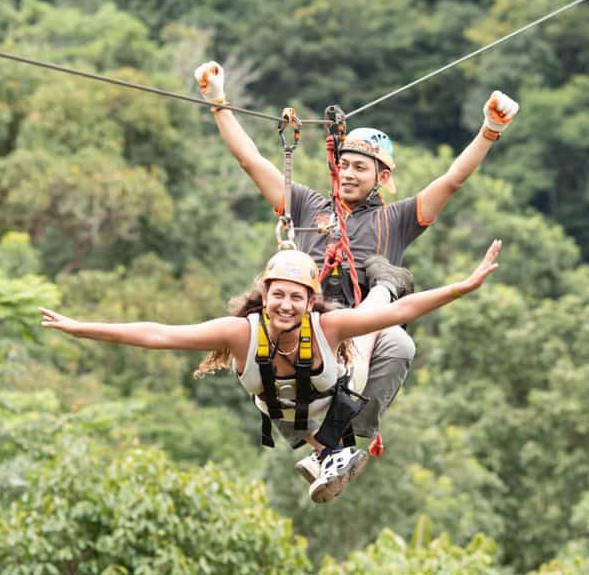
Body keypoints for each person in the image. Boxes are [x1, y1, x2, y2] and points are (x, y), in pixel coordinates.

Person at [193, 61, 519, 451]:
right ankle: (313, 437)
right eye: (344, 165)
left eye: (360, 168)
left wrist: (489, 130)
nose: (348, 173)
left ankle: (347, 434)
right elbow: (252, 162)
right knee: (272, 334)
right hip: (308, 323)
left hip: (359, 330)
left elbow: (452, 181)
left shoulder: (396, 220)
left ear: (382, 178)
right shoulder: (308, 205)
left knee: (399, 345)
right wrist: (218, 103)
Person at [39, 240, 502, 503]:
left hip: (342, 392)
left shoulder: (325, 326)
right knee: (355, 342)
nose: (286, 305)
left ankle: (387, 282)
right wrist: (81, 328)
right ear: (264, 295)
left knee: (378, 323)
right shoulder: (239, 334)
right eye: (278, 295)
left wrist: (463, 287)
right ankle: (326, 453)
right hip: (293, 421)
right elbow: (158, 334)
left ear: (309, 301)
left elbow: (407, 310)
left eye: (296, 297)